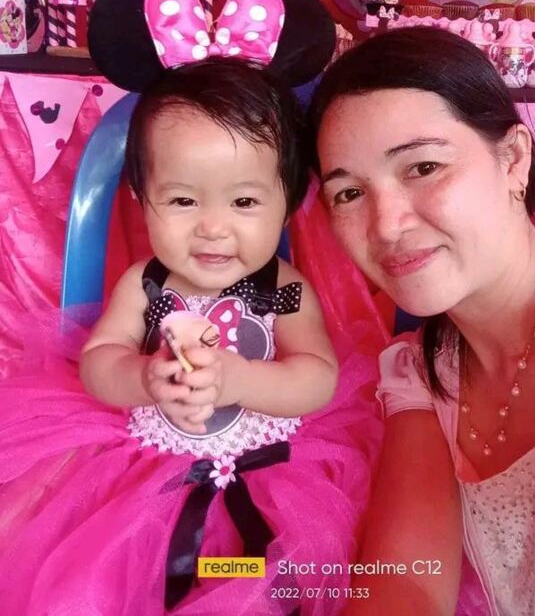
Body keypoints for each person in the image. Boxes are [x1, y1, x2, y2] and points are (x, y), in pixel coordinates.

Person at [0, 56, 378, 615]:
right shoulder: (145, 284)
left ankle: (235, 588)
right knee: (108, 577)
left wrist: (240, 379)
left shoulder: (284, 288)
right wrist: (142, 376)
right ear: (140, 197)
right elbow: (100, 359)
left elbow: (317, 377)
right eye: (182, 200)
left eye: (244, 201)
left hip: (269, 470)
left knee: (271, 575)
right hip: (149, 474)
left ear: (288, 204)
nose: (213, 227)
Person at [310, 26, 535, 616]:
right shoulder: (423, 372)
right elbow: (407, 581)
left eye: (423, 166)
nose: (386, 225)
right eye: (349, 194)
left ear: (513, 160)